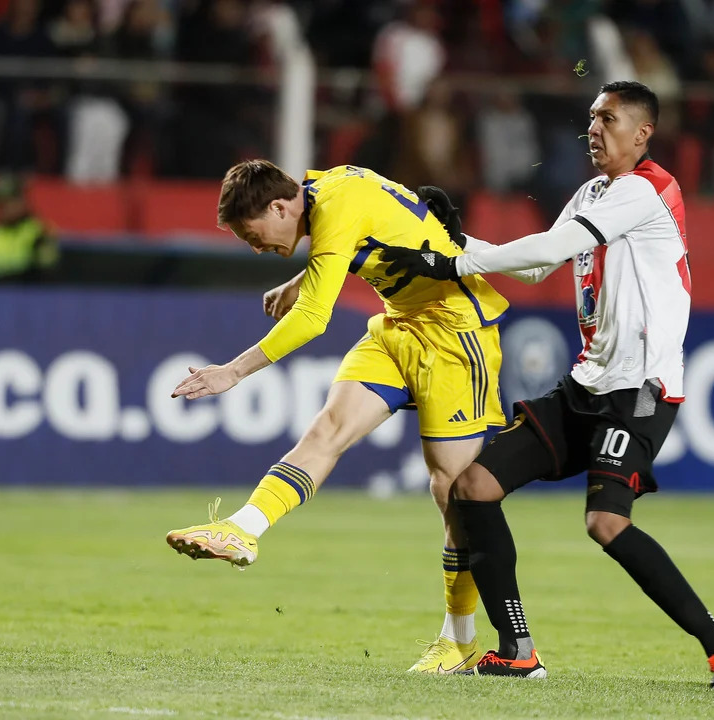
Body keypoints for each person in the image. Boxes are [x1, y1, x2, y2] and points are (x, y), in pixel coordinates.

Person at [379, 80, 714, 689]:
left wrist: (453, 264)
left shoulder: (648, 189)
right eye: (590, 118)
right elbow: (536, 266)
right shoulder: (593, 192)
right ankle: (517, 649)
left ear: (642, 134)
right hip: (586, 383)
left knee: (605, 523)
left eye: (608, 119)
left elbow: (558, 243)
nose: (593, 129)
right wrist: (455, 238)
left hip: (639, 389)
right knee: (472, 487)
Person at [166, 160, 540, 674]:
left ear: (279, 207)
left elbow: (315, 320)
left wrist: (233, 370)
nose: (255, 248)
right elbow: (370, 229)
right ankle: (241, 528)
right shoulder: (321, 187)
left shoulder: (335, 200)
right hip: (399, 325)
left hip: (456, 333)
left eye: (254, 235)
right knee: (327, 430)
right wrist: (306, 275)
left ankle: (459, 637)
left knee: (453, 491)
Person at [0, 175, 59, 280]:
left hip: (31, 292)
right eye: (2, 203)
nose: (9, 208)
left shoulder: (39, 230)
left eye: (13, 201)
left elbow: (48, 268)